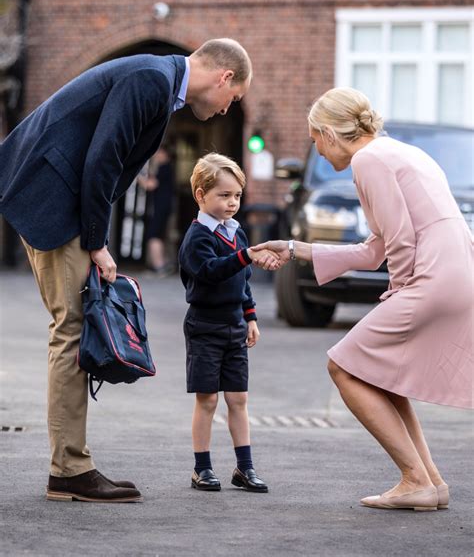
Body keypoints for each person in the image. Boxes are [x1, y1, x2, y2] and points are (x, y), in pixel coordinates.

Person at [0, 38, 252, 503]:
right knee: (73, 331)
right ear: (225, 77)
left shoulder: (157, 80)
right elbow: (103, 160)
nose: (224, 111)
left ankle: (70, 467)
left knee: (71, 328)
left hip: (53, 196)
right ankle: (69, 470)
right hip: (54, 201)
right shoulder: (151, 80)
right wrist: (98, 242)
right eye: (231, 101)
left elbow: (106, 163)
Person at [253, 87, 473, 511]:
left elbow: (401, 241)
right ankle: (431, 482)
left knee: (343, 365)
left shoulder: (368, 160)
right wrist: (295, 248)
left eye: (315, 138)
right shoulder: (400, 153)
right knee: (384, 374)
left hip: (431, 278)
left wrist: (400, 288)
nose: (316, 148)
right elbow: (376, 248)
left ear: (330, 134)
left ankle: (414, 479)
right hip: (457, 274)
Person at [178, 153, 279, 493]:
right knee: (207, 400)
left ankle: (244, 468)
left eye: (237, 195)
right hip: (205, 326)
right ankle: (201, 468)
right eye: (224, 195)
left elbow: (242, 281)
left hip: (235, 326)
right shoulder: (197, 238)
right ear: (200, 195)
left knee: (238, 400)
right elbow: (210, 271)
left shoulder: (236, 233)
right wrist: (244, 256)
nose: (232, 202)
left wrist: (250, 317)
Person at [139, 145, 176, 274]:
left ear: (165, 154)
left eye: (158, 153)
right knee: (158, 234)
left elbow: (150, 185)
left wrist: (137, 176)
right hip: (163, 206)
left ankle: (159, 265)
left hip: (160, 206)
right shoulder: (167, 168)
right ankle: (162, 264)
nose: (156, 156)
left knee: (153, 234)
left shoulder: (164, 167)